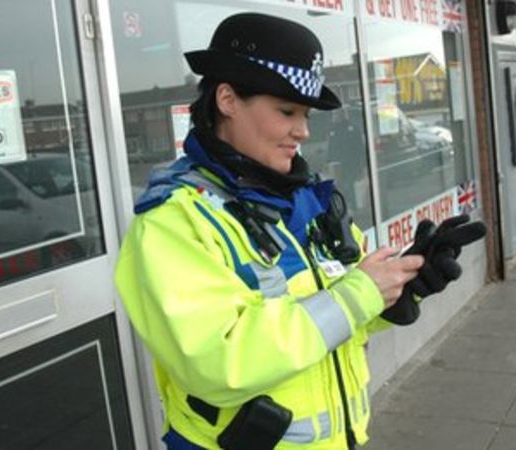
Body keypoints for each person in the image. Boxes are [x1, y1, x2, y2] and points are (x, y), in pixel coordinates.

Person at [114, 12, 483, 450]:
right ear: (227, 99)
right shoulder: (173, 222)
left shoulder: (312, 200)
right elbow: (217, 362)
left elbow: (335, 318)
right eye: (286, 111)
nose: (302, 131)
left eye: (305, 114)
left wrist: (402, 288)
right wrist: (361, 294)